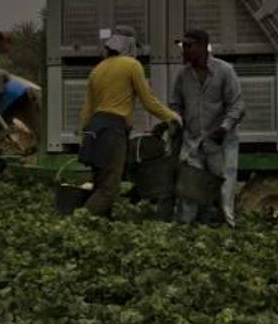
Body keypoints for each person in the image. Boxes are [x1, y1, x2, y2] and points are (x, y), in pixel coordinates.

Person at [78, 26, 180, 217]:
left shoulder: (98, 69)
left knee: (99, 182)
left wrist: (85, 137)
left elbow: (87, 111)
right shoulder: (131, 65)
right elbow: (149, 102)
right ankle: (77, 222)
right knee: (109, 189)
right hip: (113, 131)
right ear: (129, 45)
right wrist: (172, 117)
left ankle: (100, 226)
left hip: (94, 130)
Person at [169, 29, 245, 227]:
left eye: (189, 46)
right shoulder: (183, 75)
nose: (184, 51)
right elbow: (175, 104)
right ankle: (185, 230)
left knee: (224, 189)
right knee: (189, 189)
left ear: (203, 47)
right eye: (183, 46)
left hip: (220, 142)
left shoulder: (225, 70)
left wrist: (224, 128)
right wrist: (175, 122)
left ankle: (227, 229)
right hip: (193, 141)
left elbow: (237, 105)